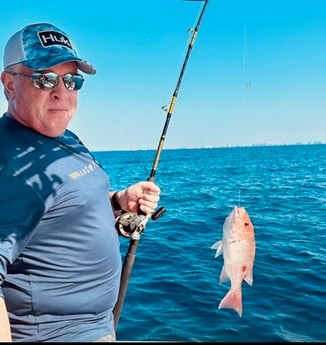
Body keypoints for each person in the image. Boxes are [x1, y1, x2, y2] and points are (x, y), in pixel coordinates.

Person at [0, 22, 161, 342]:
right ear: (10, 85)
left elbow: (59, 205)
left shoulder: (61, 136)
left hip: (97, 326)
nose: (62, 92)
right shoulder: (12, 166)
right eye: (44, 78)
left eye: (71, 80)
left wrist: (117, 202)